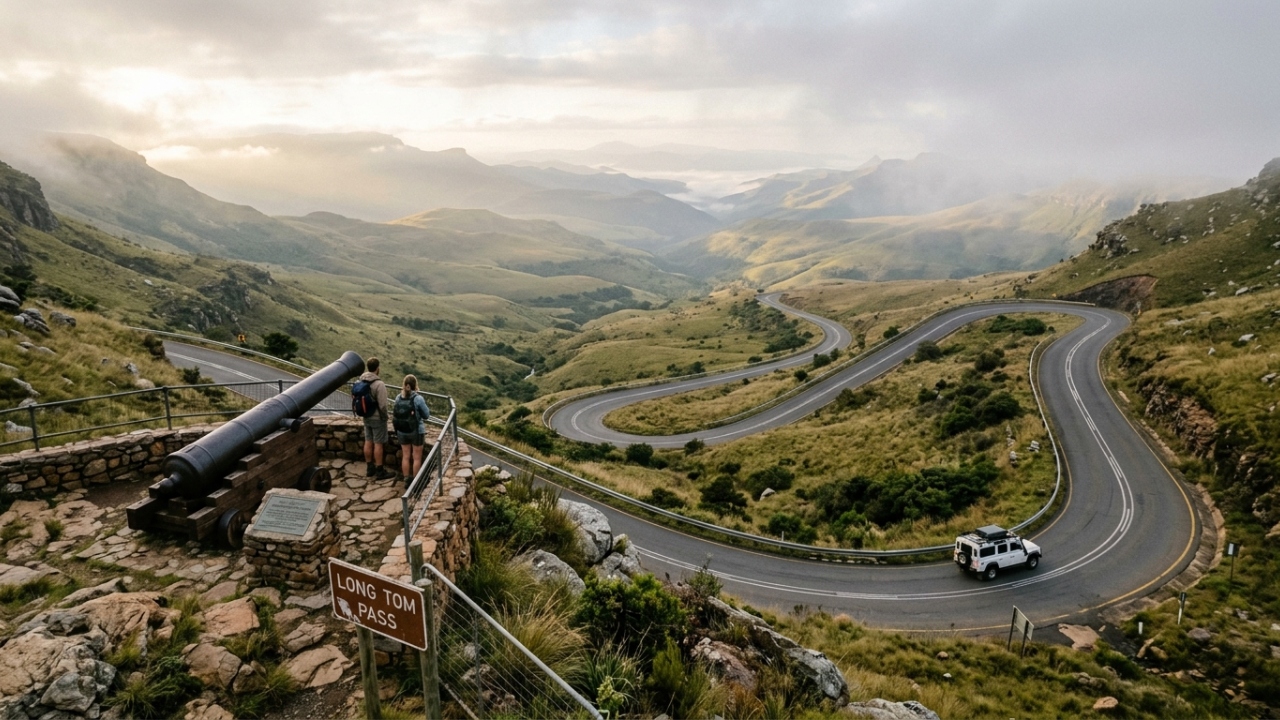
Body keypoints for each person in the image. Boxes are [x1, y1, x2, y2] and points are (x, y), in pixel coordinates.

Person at [358, 357, 394, 480]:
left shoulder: (361, 381)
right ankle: (379, 470)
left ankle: (370, 468)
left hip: (366, 416)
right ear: (378, 368)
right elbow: (383, 405)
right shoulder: (379, 384)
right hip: (377, 418)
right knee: (378, 443)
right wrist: (385, 417)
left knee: (368, 440)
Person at [393, 374, 432, 481]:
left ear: (404, 385)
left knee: (405, 456)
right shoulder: (418, 398)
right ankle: (416, 482)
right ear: (415, 385)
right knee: (417, 458)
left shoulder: (398, 397)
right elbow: (426, 415)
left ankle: (406, 479)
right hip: (416, 431)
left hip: (401, 430)